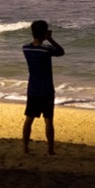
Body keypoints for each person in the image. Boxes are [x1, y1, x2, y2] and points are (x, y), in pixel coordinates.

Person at [21, 20, 64, 155]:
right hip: (46, 89)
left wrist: (44, 37)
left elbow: (35, 46)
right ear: (44, 33)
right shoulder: (46, 50)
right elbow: (61, 52)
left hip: (33, 88)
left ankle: (25, 147)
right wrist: (50, 38)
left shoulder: (26, 49)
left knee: (29, 119)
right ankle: (50, 149)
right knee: (48, 120)